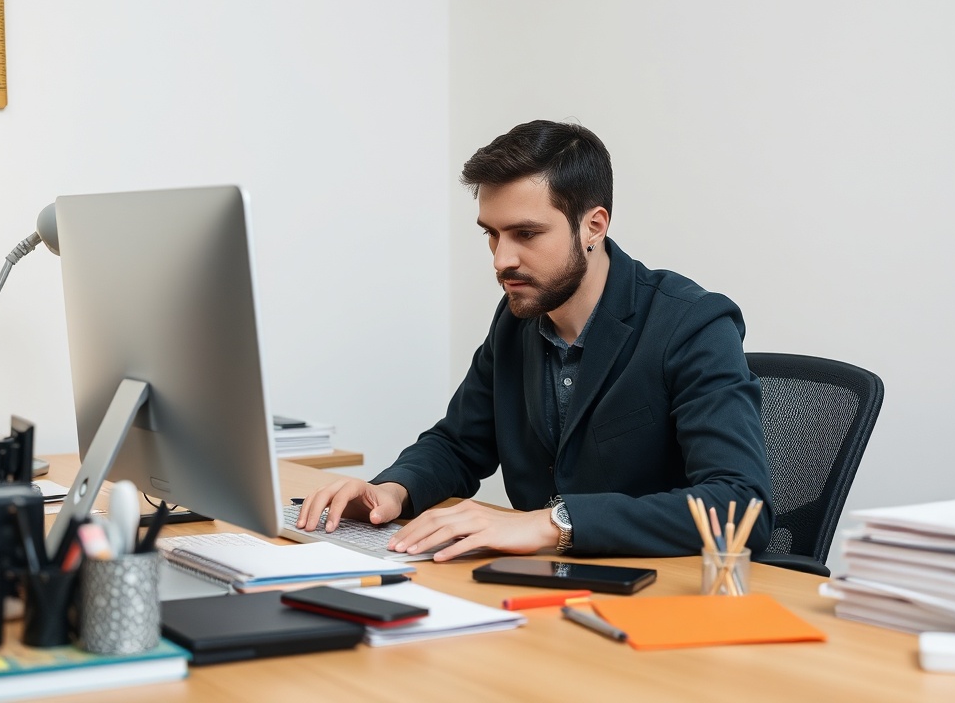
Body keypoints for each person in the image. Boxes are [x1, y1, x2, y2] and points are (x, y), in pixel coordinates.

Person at [298, 120, 773, 561]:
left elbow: (739, 504)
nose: (502, 259)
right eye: (492, 234)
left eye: (526, 233)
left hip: (660, 596)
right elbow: (460, 444)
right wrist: (391, 492)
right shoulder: (516, 319)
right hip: (543, 589)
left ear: (594, 225)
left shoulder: (691, 323)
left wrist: (554, 524)